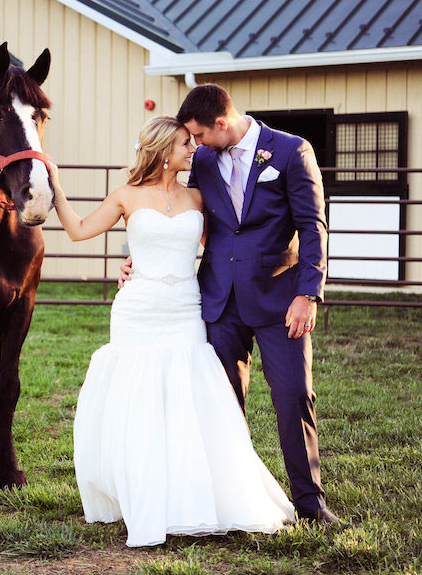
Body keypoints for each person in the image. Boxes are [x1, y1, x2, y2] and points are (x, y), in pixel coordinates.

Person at [47, 116, 295, 548]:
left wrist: (284, 256)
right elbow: (79, 230)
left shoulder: (200, 197)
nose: (193, 148)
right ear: (164, 152)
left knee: (187, 398)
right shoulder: (126, 196)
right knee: (139, 400)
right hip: (138, 310)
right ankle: (141, 492)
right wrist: (55, 188)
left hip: (185, 307)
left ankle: (190, 495)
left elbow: (227, 244)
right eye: (185, 143)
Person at [120, 85, 339, 525]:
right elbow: (187, 215)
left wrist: (308, 294)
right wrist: (144, 254)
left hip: (282, 301)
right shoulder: (202, 159)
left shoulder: (292, 152)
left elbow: (313, 226)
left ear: (222, 123)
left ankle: (310, 504)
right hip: (218, 299)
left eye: (199, 135)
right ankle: (227, 501)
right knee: (220, 401)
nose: (194, 145)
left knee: (295, 395)